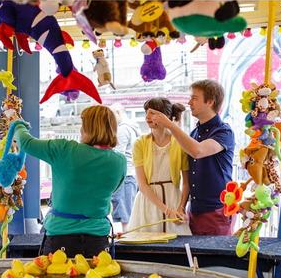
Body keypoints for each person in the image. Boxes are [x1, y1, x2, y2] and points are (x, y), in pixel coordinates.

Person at [13, 105, 126, 257]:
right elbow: (113, 189)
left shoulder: (64, 149)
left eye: (83, 125)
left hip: (60, 238)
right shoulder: (119, 161)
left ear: (87, 128)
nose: (80, 130)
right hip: (98, 240)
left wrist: (17, 124)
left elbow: (26, 143)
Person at [147, 80, 234, 235]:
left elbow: (198, 151)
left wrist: (170, 125)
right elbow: (187, 176)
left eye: (194, 98)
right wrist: (182, 206)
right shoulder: (194, 133)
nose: (189, 102)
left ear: (210, 102)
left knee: (213, 257)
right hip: (194, 210)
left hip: (215, 210)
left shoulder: (224, 131)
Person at [128, 98, 192, 235]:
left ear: (166, 116)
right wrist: (167, 211)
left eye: (152, 113)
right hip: (148, 202)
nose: (147, 117)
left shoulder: (180, 142)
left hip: (173, 199)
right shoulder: (139, 143)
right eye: (146, 112)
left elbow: (186, 183)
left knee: (178, 244)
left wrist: (180, 208)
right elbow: (142, 185)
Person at [109, 103, 140, 232]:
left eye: (111, 115)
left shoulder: (122, 130)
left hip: (124, 176)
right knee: (128, 212)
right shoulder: (133, 128)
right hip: (131, 175)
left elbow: (117, 155)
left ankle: (127, 242)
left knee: (125, 215)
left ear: (118, 113)